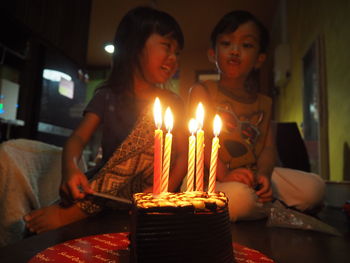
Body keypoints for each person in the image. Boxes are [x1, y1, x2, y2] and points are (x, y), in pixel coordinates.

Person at [24, 6, 187, 233]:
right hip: (106, 192)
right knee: (29, 230)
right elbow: (78, 139)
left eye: (177, 53)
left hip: (151, 189)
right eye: (167, 47)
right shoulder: (107, 96)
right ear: (135, 46)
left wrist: (162, 189)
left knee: (154, 123)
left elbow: (181, 155)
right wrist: (70, 169)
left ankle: (74, 212)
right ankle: (82, 206)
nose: (173, 58)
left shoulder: (172, 102)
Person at [186, 10, 325, 221]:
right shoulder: (202, 91)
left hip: (251, 175)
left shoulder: (264, 102)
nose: (235, 51)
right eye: (226, 43)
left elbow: (268, 148)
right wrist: (224, 174)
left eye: (246, 45)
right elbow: (200, 139)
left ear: (259, 59)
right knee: (241, 200)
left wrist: (264, 175)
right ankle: (260, 205)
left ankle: (258, 202)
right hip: (211, 176)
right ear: (213, 54)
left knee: (314, 188)